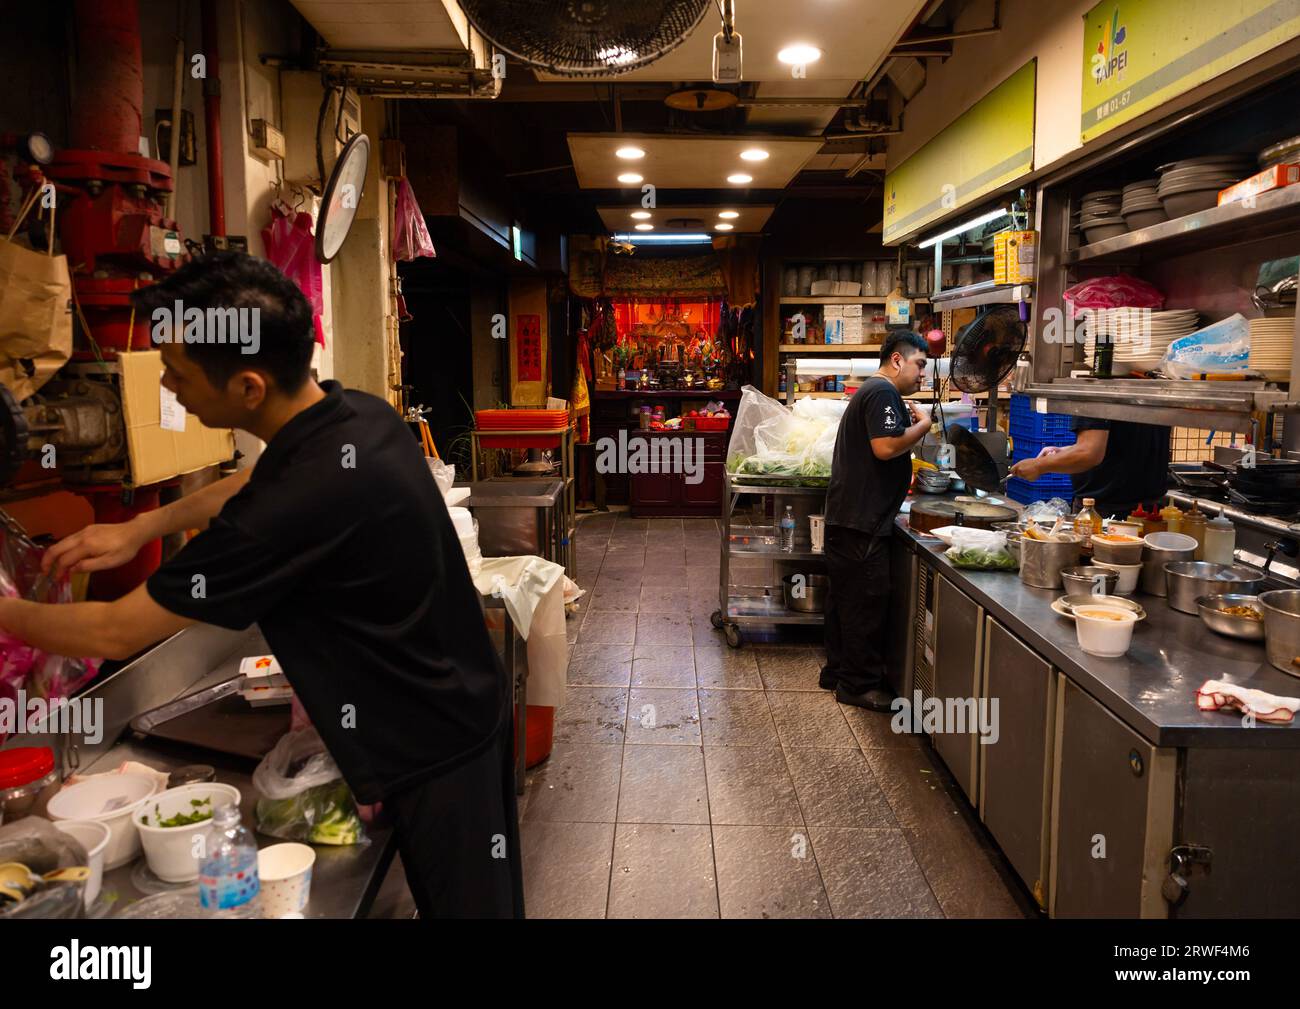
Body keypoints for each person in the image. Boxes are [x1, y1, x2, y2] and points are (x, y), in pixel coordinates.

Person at [0, 251, 523, 919]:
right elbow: (253, 479)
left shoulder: (285, 511)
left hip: (433, 750)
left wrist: (6, 614)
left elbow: (116, 628)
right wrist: (141, 527)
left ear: (248, 385)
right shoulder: (352, 415)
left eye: (177, 372)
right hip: (462, 705)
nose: (167, 382)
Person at [821, 330, 931, 711]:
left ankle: (836, 671)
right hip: (860, 521)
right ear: (897, 360)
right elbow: (885, 447)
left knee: (844, 602)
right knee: (866, 602)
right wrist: (923, 427)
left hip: (849, 519)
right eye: (919, 364)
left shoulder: (876, 393)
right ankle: (857, 685)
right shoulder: (882, 392)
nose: (923, 375)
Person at [1008, 416, 1171, 519]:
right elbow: (1119, 444)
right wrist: (1066, 451)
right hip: (1151, 510)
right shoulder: (1143, 384)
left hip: (1106, 514)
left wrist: (1038, 466)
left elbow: (1089, 453)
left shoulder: (1096, 385)